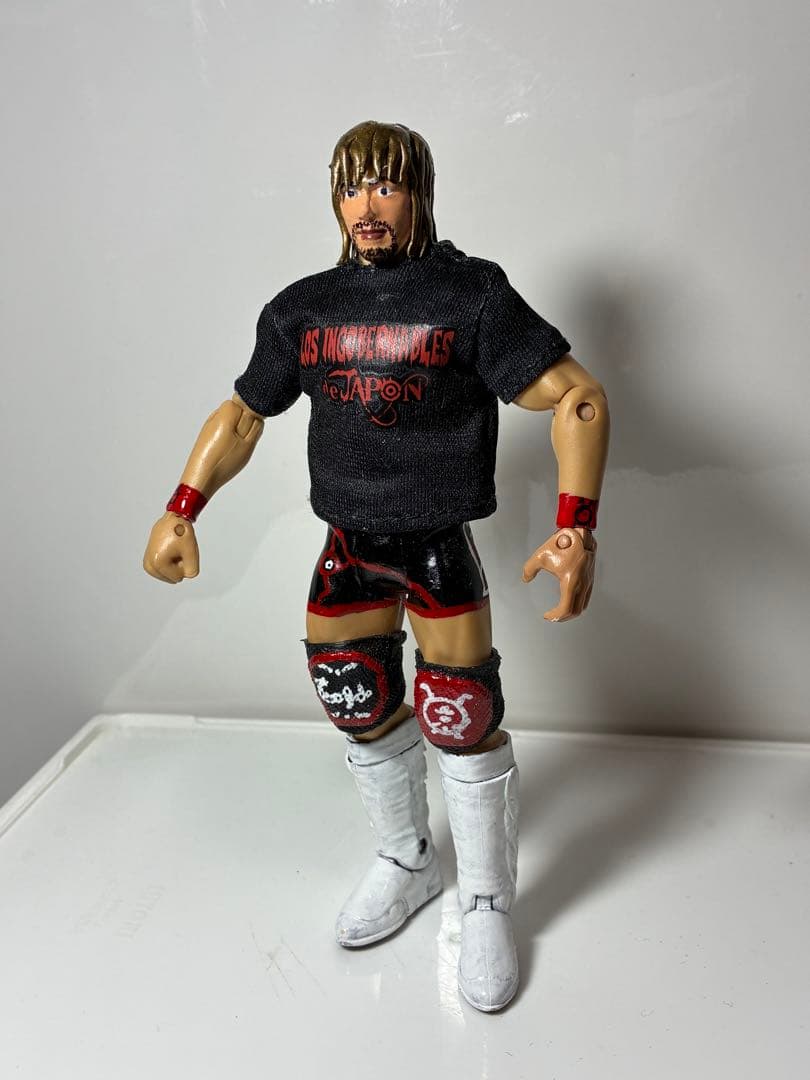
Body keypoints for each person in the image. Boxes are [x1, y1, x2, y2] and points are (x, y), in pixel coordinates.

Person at [143, 120, 609, 1012]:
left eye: (386, 185)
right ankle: (407, 858)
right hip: (349, 547)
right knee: (352, 695)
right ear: (333, 196)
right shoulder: (303, 308)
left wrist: (576, 527)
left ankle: (485, 899)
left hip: (435, 544)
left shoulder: (470, 295)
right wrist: (183, 506)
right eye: (352, 186)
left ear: (419, 192)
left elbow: (576, 396)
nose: (368, 205)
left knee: (461, 714)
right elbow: (244, 413)